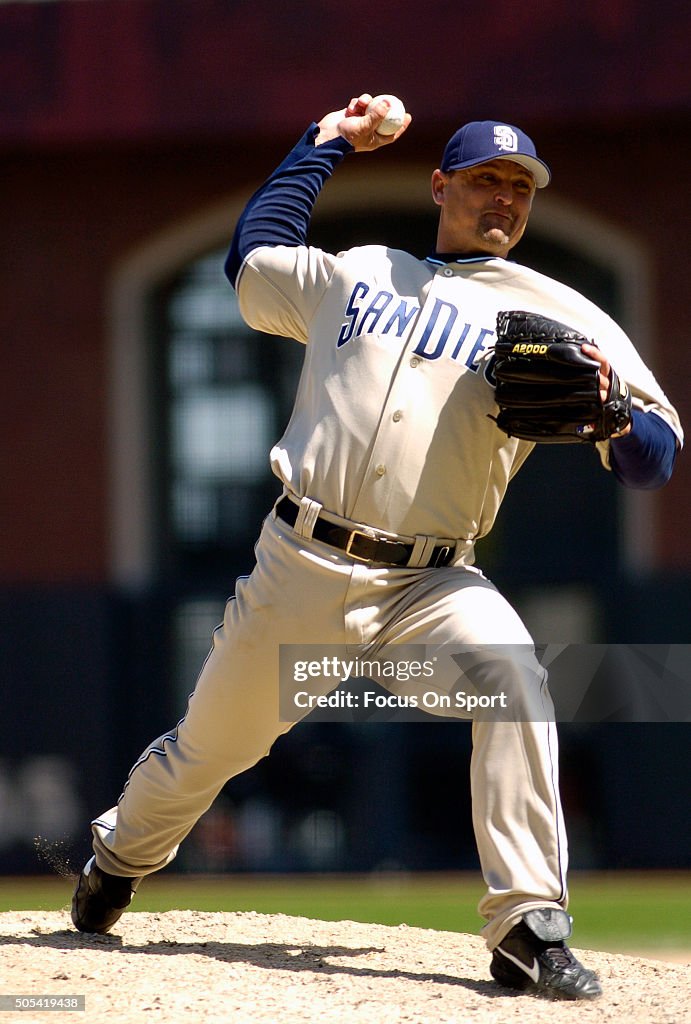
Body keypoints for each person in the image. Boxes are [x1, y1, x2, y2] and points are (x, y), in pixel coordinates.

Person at [71, 95, 682, 1001]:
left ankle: (528, 926)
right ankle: (119, 858)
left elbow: (654, 461)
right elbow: (252, 259)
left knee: (515, 675)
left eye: (519, 187)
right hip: (302, 566)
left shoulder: (562, 315)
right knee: (207, 753)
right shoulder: (360, 274)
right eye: (484, 180)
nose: (503, 200)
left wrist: (618, 420)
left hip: (431, 586)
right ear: (441, 186)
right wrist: (321, 145)